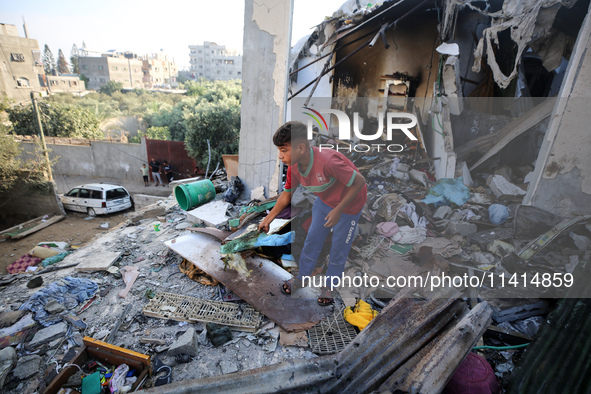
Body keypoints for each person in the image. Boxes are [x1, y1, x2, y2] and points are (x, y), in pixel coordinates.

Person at [258, 121, 367, 306]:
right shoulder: (294, 167)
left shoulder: (329, 161)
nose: (280, 156)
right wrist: (268, 218)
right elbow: (286, 196)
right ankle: (302, 277)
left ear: (301, 147)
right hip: (325, 201)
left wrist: (338, 210)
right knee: (312, 239)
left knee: (339, 248)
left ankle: (330, 286)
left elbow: (360, 182)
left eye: (283, 150)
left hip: (349, 206)